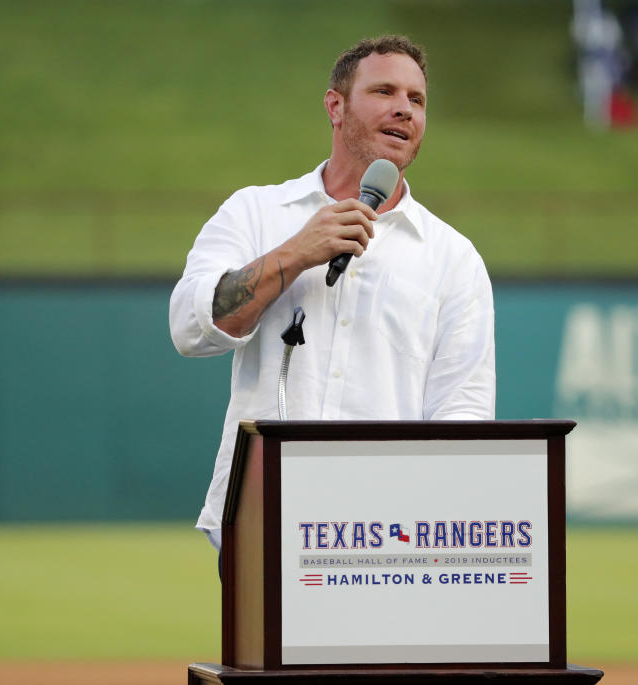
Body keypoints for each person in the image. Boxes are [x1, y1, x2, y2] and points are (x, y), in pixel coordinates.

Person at [169, 35, 496, 552]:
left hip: (390, 536)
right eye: (384, 91)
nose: (404, 109)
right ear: (335, 106)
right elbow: (191, 329)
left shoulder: (453, 258)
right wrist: (295, 253)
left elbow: (464, 410)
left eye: (417, 99)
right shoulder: (256, 212)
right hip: (263, 516)